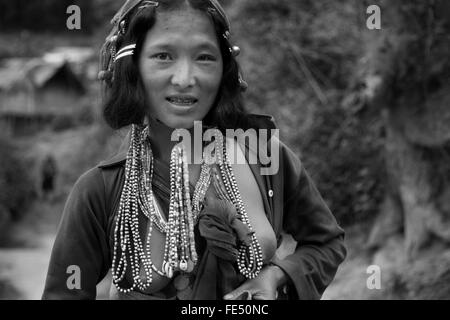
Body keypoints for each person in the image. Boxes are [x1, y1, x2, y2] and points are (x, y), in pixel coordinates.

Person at [42, 0, 346, 300]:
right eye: (163, 56)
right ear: (132, 69)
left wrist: (276, 276)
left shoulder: (267, 159)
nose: (186, 79)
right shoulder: (100, 190)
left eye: (205, 57)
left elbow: (326, 244)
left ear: (225, 69)